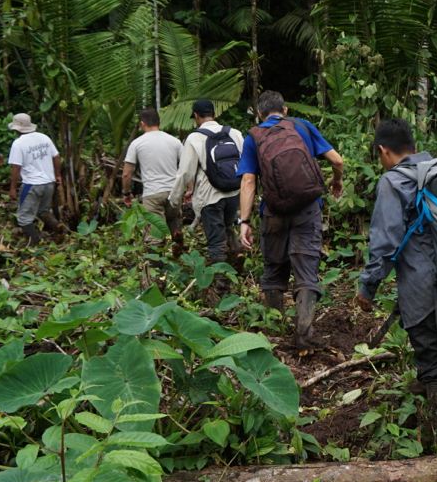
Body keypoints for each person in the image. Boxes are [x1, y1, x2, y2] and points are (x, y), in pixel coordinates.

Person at [354, 118, 437, 426]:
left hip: (422, 283)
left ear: (383, 150)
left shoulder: (393, 181)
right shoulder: (435, 171)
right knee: (435, 342)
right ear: (414, 147)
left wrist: (368, 286)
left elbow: (385, 240)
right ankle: (430, 397)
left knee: (432, 354)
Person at [237, 90, 344, 347]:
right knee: (306, 271)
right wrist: (336, 179)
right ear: (285, 110)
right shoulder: (302, 126)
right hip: (308, 208)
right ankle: (303, 334)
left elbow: (249, 180)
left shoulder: (254, 137)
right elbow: (337, 160)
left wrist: (244, 221)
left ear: (260, 115)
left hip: (273, 212)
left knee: (273, 271)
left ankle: (277, 331)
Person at [170, 99, 244, 265]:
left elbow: (184, 173)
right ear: (215, 114)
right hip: (233, 192)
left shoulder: (194, 138)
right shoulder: (235, 133)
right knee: (227, 226)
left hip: (210, 197)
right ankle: (236, 254)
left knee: (215, 240)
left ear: (196, 116)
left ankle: (221, 281)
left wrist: (175, 199)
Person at [122, 107, 183, 247]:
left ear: (142, 124)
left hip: (153, 192)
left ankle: (156, 266)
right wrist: (189, 189)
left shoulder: (137, 143)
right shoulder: (174, 141)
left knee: (154, 234)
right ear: (159, 122)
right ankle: (176, 235)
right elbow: (186, 167)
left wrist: (126, 193)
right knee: (172, 218)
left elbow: (126, 173)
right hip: (174, 191)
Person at [7, 113, 65, 245]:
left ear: (17, 129)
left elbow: (16, 167)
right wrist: (57, 175)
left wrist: (12, 189)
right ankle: (57, 227)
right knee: (41, 211)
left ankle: (33, 243)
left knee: (24, 218)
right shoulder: (44, 137)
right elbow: (56, 157)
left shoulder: (18, 143)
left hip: (32, 185)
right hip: (48, 183)